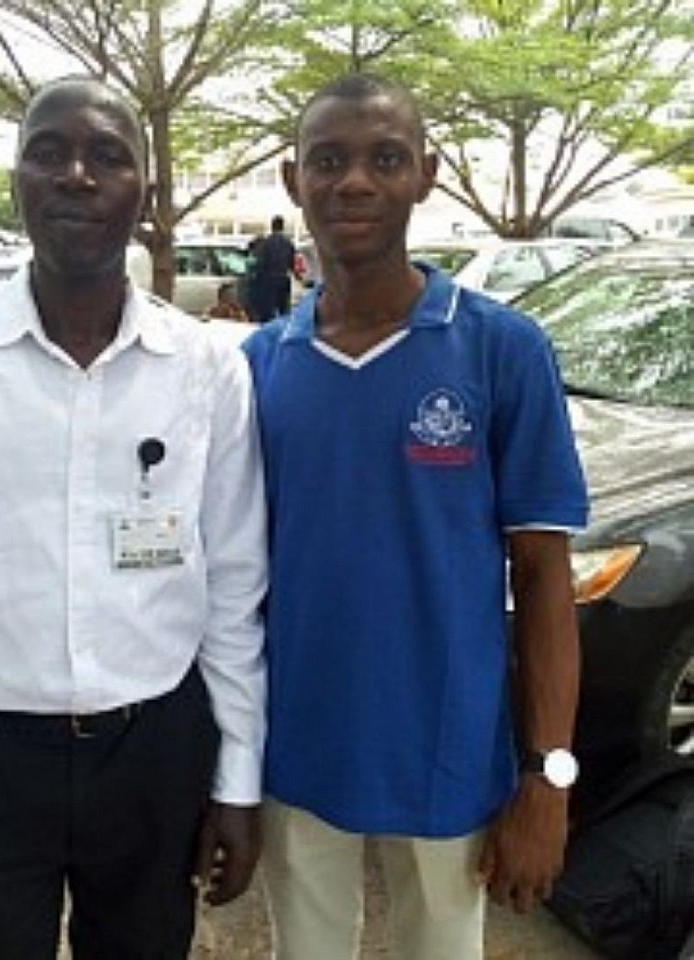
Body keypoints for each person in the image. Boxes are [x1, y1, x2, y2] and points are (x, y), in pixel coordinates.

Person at [0, 76, 267, 960]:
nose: (77, 175)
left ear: (144, 192)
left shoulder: (205, 368)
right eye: (49, 153)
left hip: (156, 755)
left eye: (107, 156)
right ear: (17, 183)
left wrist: (236, 779)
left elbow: (234, 587)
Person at [243, 73, 589, 960]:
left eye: (386, 159)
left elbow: (543, 575)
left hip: (448, 749)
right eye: (329, 161)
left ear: (427, 175)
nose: (355, 182)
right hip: (296, 748)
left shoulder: (503, 349)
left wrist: (548, 776)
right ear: (293, 180)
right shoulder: (256, 365)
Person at [249, 215, 296, 322]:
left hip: (268, 280)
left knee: (268, 311)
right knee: (284, 309)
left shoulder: (267, 243)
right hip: (283, 278)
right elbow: (291, 263)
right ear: (282, 226)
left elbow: (261, 262)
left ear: (272, 226)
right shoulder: (288, 243)